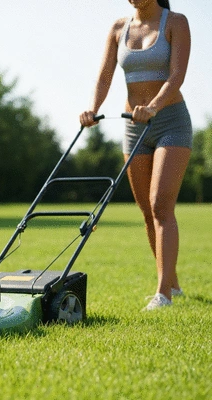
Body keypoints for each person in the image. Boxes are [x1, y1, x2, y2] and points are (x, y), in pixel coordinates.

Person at [79, 0, 192, 310]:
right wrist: (93, 108)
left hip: (171, 122)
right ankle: (174, 283)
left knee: (160, 205)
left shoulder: (175, 22)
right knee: (146, 210)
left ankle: (163, 295)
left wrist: (154, 106)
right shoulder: (118, 28)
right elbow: (104, 77)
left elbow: (176, 75)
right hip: (133, 127)